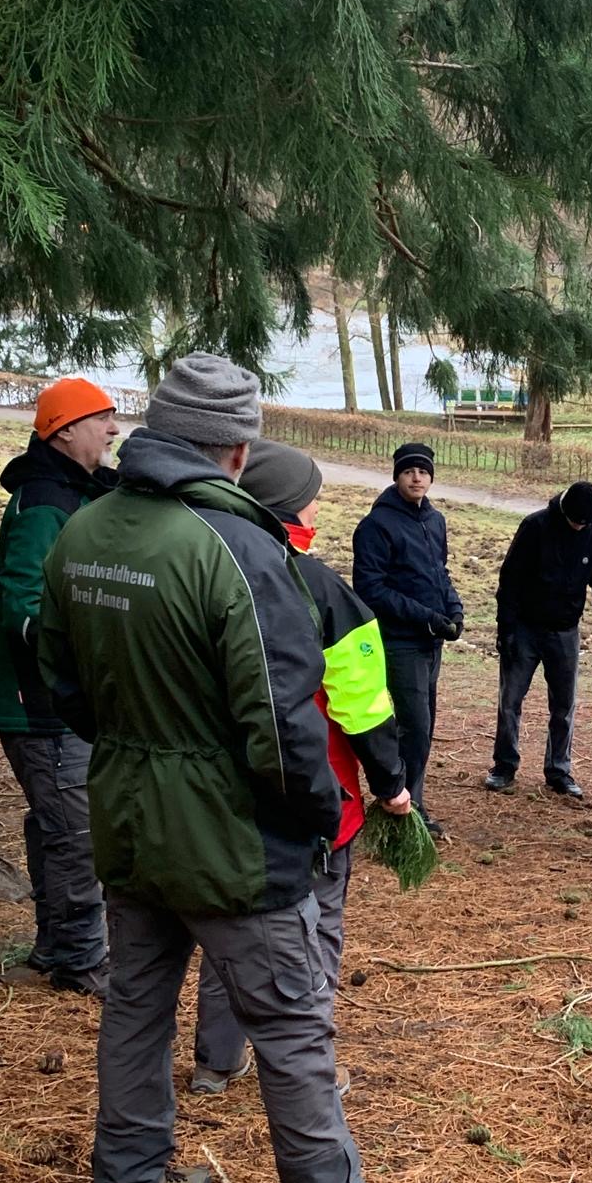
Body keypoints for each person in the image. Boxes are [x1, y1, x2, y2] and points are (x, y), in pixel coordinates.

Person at [38, 353, 413, 1183]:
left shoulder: (84, 529)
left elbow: (59, 683)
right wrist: (316, 819)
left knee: (136, 1006)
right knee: (290, 1022)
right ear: (238, 450)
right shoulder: (241, 550)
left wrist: (139, 751)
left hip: (128, 822)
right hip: (235, 842)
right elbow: (281, 726)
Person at [191, 439, 410, 1096]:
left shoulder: (204, 565)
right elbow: (362, 705)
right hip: (315, 794)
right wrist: (392, 784)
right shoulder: (321, 589)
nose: (319, 505)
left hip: (219, 796)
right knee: (315, 932)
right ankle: (310, 1072)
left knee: (230, 932)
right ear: (292, 507)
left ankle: (216, 1061)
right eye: (312, 496)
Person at [0, 377, 118, 997]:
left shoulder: (75, 493)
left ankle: (55, 946)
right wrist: (79, 663)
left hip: (54, 701)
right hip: (43, 705)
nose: (113, 429)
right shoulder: (44, 504)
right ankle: (83, 962)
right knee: (76, 834)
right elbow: (24, 605)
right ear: (63, 431)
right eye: (101, 419)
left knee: (56, 824)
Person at [352, 443, 462, 838]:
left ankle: (410, 799)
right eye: (409, 471)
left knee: (423, 726)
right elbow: (370, 588)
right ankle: (404, 805)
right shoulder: (376, 525)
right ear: (397, 475)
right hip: (399, 642)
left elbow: (439, 572)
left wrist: (454, 608)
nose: (417, 478)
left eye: (423, 471)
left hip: (431, 642)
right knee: (413, 727)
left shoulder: (435, 521)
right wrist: (426, 617)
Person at [484, 481, 592, 801]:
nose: (579, 527)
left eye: (585, 523)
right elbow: (510, 580)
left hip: (565, 631)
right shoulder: (535, 526)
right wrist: (506, 629)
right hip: (525, 627)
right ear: (564, 509)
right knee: (510, 700)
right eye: (574, 521)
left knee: (564, 705)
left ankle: (558, 769)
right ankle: (504, 765)